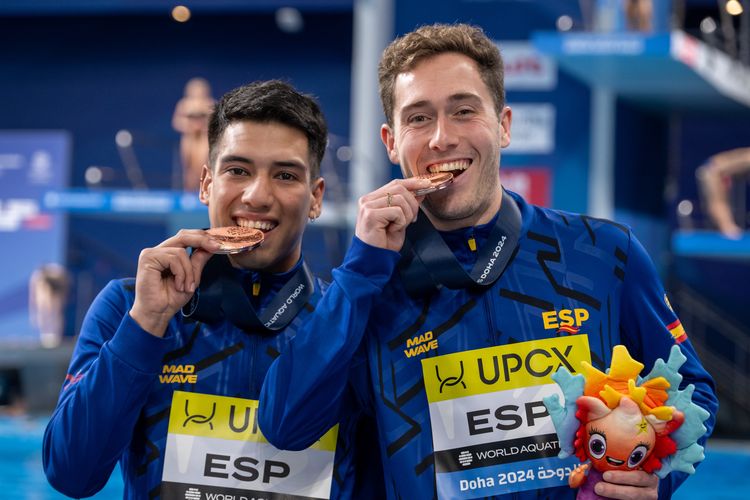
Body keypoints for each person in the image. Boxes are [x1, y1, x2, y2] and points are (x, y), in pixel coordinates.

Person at [258, 23, 718, 499]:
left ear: (503, 125)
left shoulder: (604, 254)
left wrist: (654, 477)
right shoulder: (367, 287)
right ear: (391, 142)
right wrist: (359, 274)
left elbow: (692, 393)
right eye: (417, 118)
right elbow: (285, 428)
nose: (441, 138)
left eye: (463, 111)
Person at [43, 80, 377, 499]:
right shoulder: (127, 306)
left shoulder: (348, 321)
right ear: (205, 184)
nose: (257, 195)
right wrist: (145, 325)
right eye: (237, 170)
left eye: (286, 175)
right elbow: (71, 473)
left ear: (315, 197)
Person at [696, 147, 750, 239]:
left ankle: (728, 229)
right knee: (719, 203)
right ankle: (728, 230)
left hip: (718, 170)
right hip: (713, 170)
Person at [172, 77, 215, 191]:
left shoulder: (210, 103)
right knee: (188, 168)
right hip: (189, 139)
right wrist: (190, 126)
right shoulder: (184, 104)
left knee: (203, 166)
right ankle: (188, 192)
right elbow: (176, 122)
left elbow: (215, 123)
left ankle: (203, 191)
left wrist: (202, 126)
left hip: (203, 140)